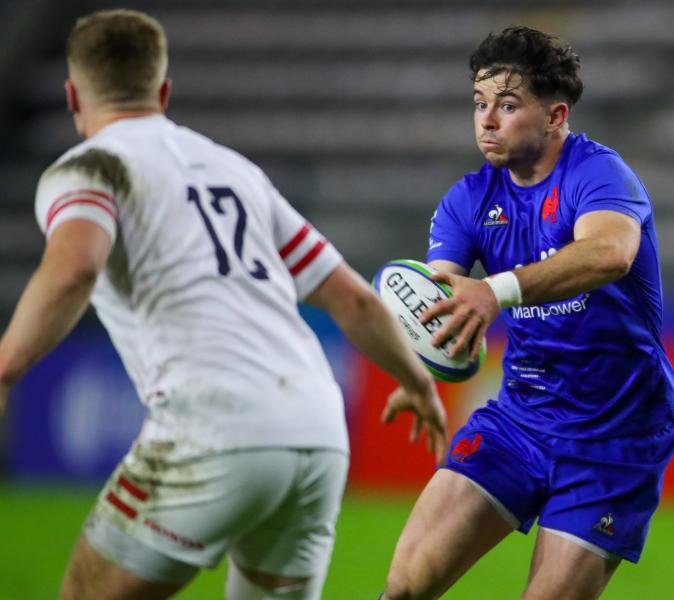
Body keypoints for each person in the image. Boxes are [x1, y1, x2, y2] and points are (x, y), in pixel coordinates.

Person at [0, 9, 447, 600]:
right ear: (162, 90)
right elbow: (354, 299)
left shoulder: (88, 168)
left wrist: (5, 367)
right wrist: (417, 382)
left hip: (212, 425)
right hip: (317, 431)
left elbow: (74, 266)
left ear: (71, 97)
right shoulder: (236, 172)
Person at [382, 26, 674, 600]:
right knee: (403, 588)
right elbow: (439, 302)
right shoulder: (468, 200)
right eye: (479, 103)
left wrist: (495, 290)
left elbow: (610, 253)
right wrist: (415, 364)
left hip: (615, 435)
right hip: (518, 420)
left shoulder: (600, 174)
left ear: (555, 115)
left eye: (508, 104)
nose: (487, 119)